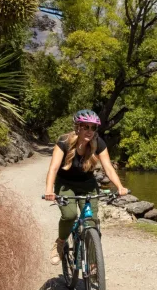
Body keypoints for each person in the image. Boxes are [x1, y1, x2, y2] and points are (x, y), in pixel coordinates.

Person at [43, 109, 129, 265]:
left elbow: (108, 168)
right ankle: (60, 243)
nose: (90, 131)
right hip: (65, 184)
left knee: (91, 222)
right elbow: (53, 169)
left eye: (93, 127)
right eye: (86, 127)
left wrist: (120, 186)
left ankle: (93, 262)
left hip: (88, 185)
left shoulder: (98, 143)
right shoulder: (64, 142)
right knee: (69, 216)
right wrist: (49, 190)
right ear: (78, 127)